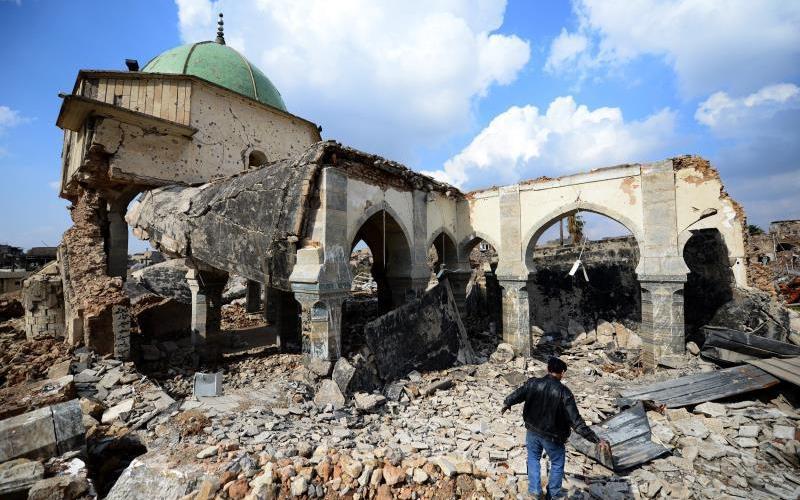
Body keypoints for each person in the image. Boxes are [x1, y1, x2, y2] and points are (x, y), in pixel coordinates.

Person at [501, 356, 610, 499]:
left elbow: (518, 394)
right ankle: (553, 495)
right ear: (562, 373)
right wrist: (596, 439)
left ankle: (534, 491)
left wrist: (507, 403)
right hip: (553, 436)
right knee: (557, 463)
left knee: (533, 458)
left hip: (532, 430)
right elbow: (576, 422)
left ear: (547, 369)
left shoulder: (533, 383)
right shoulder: (564, 393)